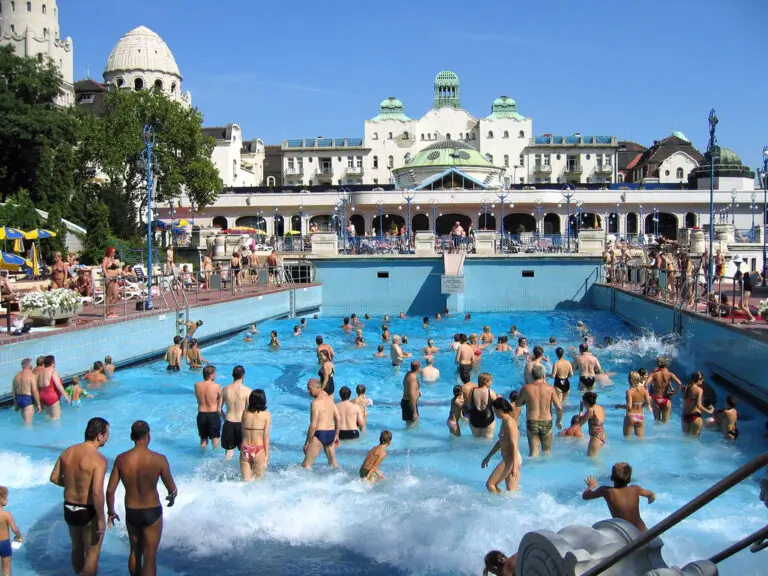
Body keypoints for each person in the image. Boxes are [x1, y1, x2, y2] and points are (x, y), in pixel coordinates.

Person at [106, 421, 177, 576]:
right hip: (152, 511)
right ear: (148, 436)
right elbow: (172, 488)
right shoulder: (159, 459)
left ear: (132, 436)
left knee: (134, 553)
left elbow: (110, 490)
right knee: (150, 557)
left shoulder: (121, 459)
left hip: (132, 511)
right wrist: (172, 498)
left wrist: (111, 511)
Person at [50, 417, 110, 576]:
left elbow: (54, 478)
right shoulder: (99, 460)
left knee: (76, 547)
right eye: (107, 434)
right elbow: (97, 493)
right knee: (92, 553)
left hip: (69, 507)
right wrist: (101, 519)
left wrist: (72, 485)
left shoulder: (68, 451)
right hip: (87, 511)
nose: (108, 437)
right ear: (99, 436)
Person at [582, 462, 656, 532]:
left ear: (611, 478)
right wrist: (651, 499)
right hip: (642, 532)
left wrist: (591, 486)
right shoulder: (635, 489)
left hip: (626, 534)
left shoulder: (607, 491)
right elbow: (651, 495)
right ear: (629, 479)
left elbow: (585, 496)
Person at [515, 364, 563, 457]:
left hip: (532, 422)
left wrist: (528, 400)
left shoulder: (526, 388)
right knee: (547, 452)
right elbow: (559, 407)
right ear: (544, 376)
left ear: (532, 376)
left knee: (533, 453)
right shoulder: (550, 389)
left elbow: (518, 404)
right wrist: (559, 420)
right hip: (547, 422)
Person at [481, 397, 522, 492]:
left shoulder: (510, 423)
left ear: (500, 410)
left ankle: (496, 504)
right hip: (509, 459)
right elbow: (501, 442)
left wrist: (515, 466)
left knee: (490, 485)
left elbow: (514, 444)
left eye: (494, 411)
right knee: (511, 492)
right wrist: (488, 456)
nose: (494, 413)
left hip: (511, 459)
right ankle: (505, 504)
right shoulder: (504, 421)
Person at [303, 378, 340, 469]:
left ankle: (308, 483)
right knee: (334, 465)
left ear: (317, 387)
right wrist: (337, 434)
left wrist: (307, 442)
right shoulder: (330, 399)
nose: (308, 391)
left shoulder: (315, 403)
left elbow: (313, 425)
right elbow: (338, 418)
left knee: (306, 465)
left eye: (309, 388)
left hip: (320, 434)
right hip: (330, 433)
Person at [219, 366, 252, 460]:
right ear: (243, 376)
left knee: (229, 453)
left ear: (232, 375)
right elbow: (250, 410)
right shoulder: (247, 390)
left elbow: (218, 409)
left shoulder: (225, 389)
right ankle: (245, 472)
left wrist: (225, 418)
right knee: (245, 452)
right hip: (242, 424)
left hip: (229, 422)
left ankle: (223, 471)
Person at [240, 389, 271, 481]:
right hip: (258, 449)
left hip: (245, 449)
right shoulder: (266, 415)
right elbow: (266, 437)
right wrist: (266, 456)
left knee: (245, 482)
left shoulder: (245, 413)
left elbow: (242, 432)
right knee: (258, 483)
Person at [194, 365, 221, 451]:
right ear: (210, 374)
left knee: (203, 439)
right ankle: (215, 457)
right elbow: (220, 401)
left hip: (201, 414)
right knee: (215, 438)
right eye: (214, 373)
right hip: (213, 415)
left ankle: (202, 456)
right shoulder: (216, 386)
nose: (215, 375)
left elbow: (198, 400)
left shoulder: (197, 385)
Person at [646, 357, 681, 423]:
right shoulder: (669, 374)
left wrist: (647, 395)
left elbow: (646, 384)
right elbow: (679, 383)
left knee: (657, 422)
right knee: (665, 423)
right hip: (666, 399)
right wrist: (675, 393)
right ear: (665, 365)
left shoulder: (653, 374)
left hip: (656, 399)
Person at [37, 355, 69, 419]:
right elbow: (58, 385)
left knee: (48, 418)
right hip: (51, 396)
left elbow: (38, 386)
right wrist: (66, 397)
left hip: (42, 397)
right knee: (56, 419)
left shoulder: (40, 372)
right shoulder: (53, 371)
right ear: (52, 363)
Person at [0, 486, 23, 576]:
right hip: (5, 545)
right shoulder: (6, 515)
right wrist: (20, 537)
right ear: (2, 499)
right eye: (6, 497)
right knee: (6, 571)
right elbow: (15, 529)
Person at [682, 371, 714, 436]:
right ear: (697, 379)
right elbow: (698, 405)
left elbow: (685, 400)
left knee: (685, 438)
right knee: (694, 440)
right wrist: (709, 411)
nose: (702, 381)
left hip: (685, 417)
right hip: (695, 416)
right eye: (701, 379)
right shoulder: (699, 390)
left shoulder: (686, 387)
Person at [467, 372, 498, 439]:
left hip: (474, 419)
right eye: (490, 381)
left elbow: (468, 404)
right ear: (486, 382)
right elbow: (497, 407)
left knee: (476, 440)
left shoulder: (472, 391)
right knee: (487, 442)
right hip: (488, 419)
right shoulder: (491, 392)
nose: (491, 382)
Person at [576, 392, 606, 458]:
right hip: (602, 435)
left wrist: (581, 409)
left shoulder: (590, 410)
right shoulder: (600, 407)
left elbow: (581, 422)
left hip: (596, 437)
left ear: (586, 402)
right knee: (596, 459)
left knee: (592, 460)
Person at [624, 371, 651, 438]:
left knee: (627, 439)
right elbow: (647, 402)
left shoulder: (629, 391)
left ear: (630, 380)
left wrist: (619, 406)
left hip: (631, 416)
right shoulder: (644, 390)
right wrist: (641, 406)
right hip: (640, 416)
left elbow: (629, 407)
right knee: (640, 439)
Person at [12, 358, 40, 424]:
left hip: (19, 399)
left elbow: (13, 391)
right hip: (27, 399)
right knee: (28, 423)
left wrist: (16, 403)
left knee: (25, 421)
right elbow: (35, 391)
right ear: (30, 365)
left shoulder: (16, 376)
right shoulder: (32, 375)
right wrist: (38, 404)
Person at [101, 247, 120, 319]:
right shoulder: (106, 259)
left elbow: (116, 268)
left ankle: (111, 311)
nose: (114, 253)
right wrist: (106, 275)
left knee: (116, 295)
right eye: (113, 252)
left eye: (114, 252)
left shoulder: (113, 259)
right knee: (108, 296)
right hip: (109, 279)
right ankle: (106, 313)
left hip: (115, 279)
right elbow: (103, 267)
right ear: (109, 252)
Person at [401, 360, 421, 426]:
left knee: (411, 426)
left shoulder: (408, 374)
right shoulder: (412, 378)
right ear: (418, 368)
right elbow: (411, 395)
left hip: (407, 403)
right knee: (413, 426)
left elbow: (405, 386)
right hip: (409, 404)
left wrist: (417, 392)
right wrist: (414, 412)